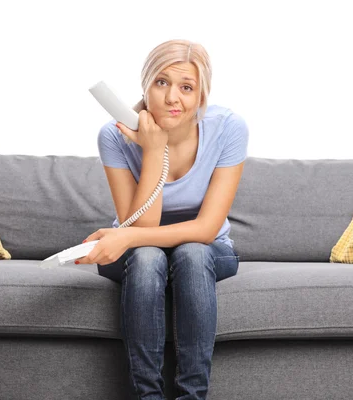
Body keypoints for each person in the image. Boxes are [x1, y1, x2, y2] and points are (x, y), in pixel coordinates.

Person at [76, 38, 249, 400]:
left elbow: (205, 229)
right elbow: (145, 230)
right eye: (162, 83)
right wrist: (155, 149)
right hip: (140, 249)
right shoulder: (114, 135)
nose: (173, 98)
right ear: (145, 85)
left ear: (201, 95)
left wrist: (123, 238)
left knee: (193, 252)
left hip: (205, 249)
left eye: (187, 88)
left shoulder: (228, 128)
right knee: (147, 254)